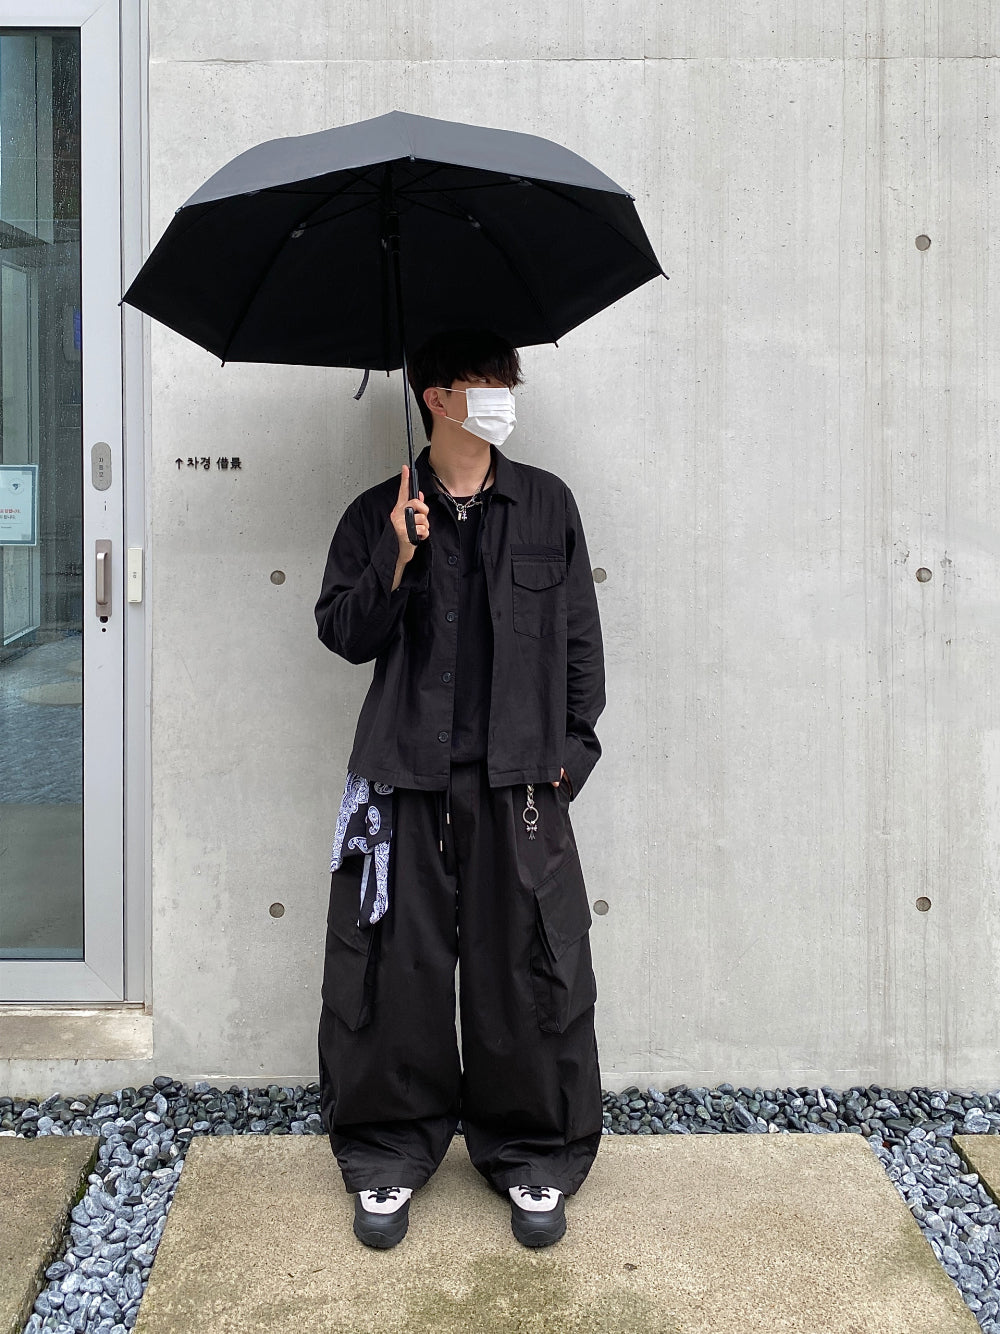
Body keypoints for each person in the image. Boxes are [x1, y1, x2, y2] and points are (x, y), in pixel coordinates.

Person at [314, 328, 606, 1250]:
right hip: (404, 776)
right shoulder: (377, 512)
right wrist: (396, 559)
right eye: (488, 382)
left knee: (526, 969)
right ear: (439, 397)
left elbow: (578, 642)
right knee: (393, 971)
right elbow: (343, 634)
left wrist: (570, 756)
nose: (504, 397)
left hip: (518, 783)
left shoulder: (546, 503)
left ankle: (531, 1154)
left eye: (506, 381)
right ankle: (389, 1155)